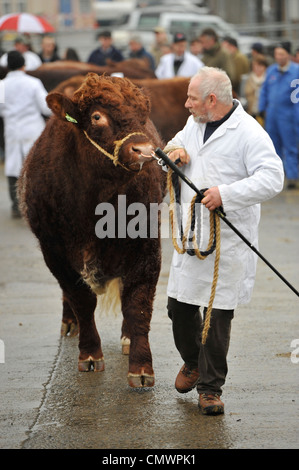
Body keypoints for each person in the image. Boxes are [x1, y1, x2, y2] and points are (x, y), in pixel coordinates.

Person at [163, 66, 284, 415]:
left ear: (211, 100)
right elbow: (178, 144)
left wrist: (226, 194)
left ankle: (211, 389)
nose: (186, 104)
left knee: (216, 320)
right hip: (193, 237)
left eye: (192, 98)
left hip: (228, 240)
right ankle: (192, 362)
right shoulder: (196, 123)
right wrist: (174, 152)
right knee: (179, 309)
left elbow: (273, 178)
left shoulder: (249, 133)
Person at [0, 51, 51, 218]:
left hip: (12, 129)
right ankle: (35, 204)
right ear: (24, 65)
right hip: (32, 129)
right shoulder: (33, 83)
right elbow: (45, 107)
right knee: (34, 166)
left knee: (14, 165)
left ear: (8, 66)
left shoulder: (2, 85)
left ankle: (16, 206)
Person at [259, 42, 299, 189]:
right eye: (277, 54)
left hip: (287, 115)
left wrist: (296, 117)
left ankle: (292, 176)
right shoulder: (271, 71)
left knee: (290, 145)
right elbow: (264, 90)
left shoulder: (296, 72)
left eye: (282, 54)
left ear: (288, 55)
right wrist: (261, 108)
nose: (279, 57)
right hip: (272, 115)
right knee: (272, 147)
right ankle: (276, 176)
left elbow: (297, 97)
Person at [244, 54, 268, 119]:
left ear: (265, 67)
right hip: (251, 113)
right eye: (255, 65)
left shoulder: (269, 79)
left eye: (260, 65)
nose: (257, 68)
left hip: (265, 114)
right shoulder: (248, 79)